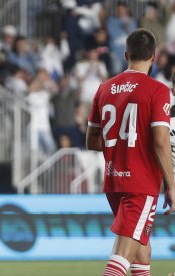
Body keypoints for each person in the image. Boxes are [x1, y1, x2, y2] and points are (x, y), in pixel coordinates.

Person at [86, 28, 175, 276]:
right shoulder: (158, 91)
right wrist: (172, 184)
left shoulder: (104, 88)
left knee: (141, 251)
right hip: (141, 183)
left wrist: (121, 145)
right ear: (154, 57)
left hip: (114, 181)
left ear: (126, 55)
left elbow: (92, 141)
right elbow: (160, 142)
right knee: (121, 260)